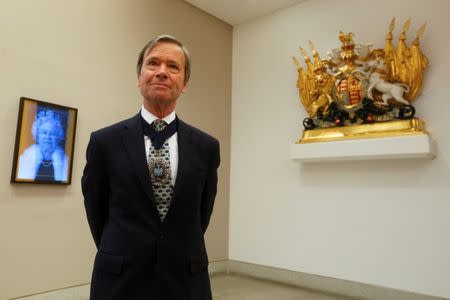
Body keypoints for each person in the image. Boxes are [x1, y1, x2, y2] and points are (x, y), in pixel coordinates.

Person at [82, 35, 220, 300]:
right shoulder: (104, 142)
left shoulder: (207, 147)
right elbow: (96, 211)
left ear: (184, 83)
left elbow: (201, 214)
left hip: (186, 281)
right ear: (139, 76)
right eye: (153, 63)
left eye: (173, 66)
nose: (161, 72)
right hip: (120, 280)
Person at [17, 109, 68, 181]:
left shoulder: (64, 160)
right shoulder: (26, 157)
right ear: (37, 135)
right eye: (44, 132)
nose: (48, 137)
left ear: (58, 137)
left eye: (52, 133)